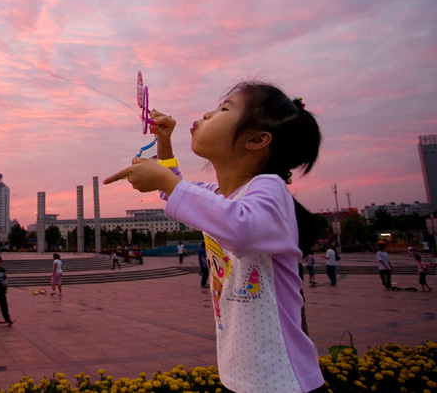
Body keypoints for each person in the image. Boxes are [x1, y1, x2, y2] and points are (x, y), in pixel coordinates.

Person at [104, 81, 325, 393]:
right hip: (242, 377)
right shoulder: (220, 196)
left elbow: (240, 228)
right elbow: (183, 193)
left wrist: (164, 179)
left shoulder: (269, 188)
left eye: (224, 109)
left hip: (284, 379)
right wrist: (165, 144)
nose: (207, 114)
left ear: (257, 140)